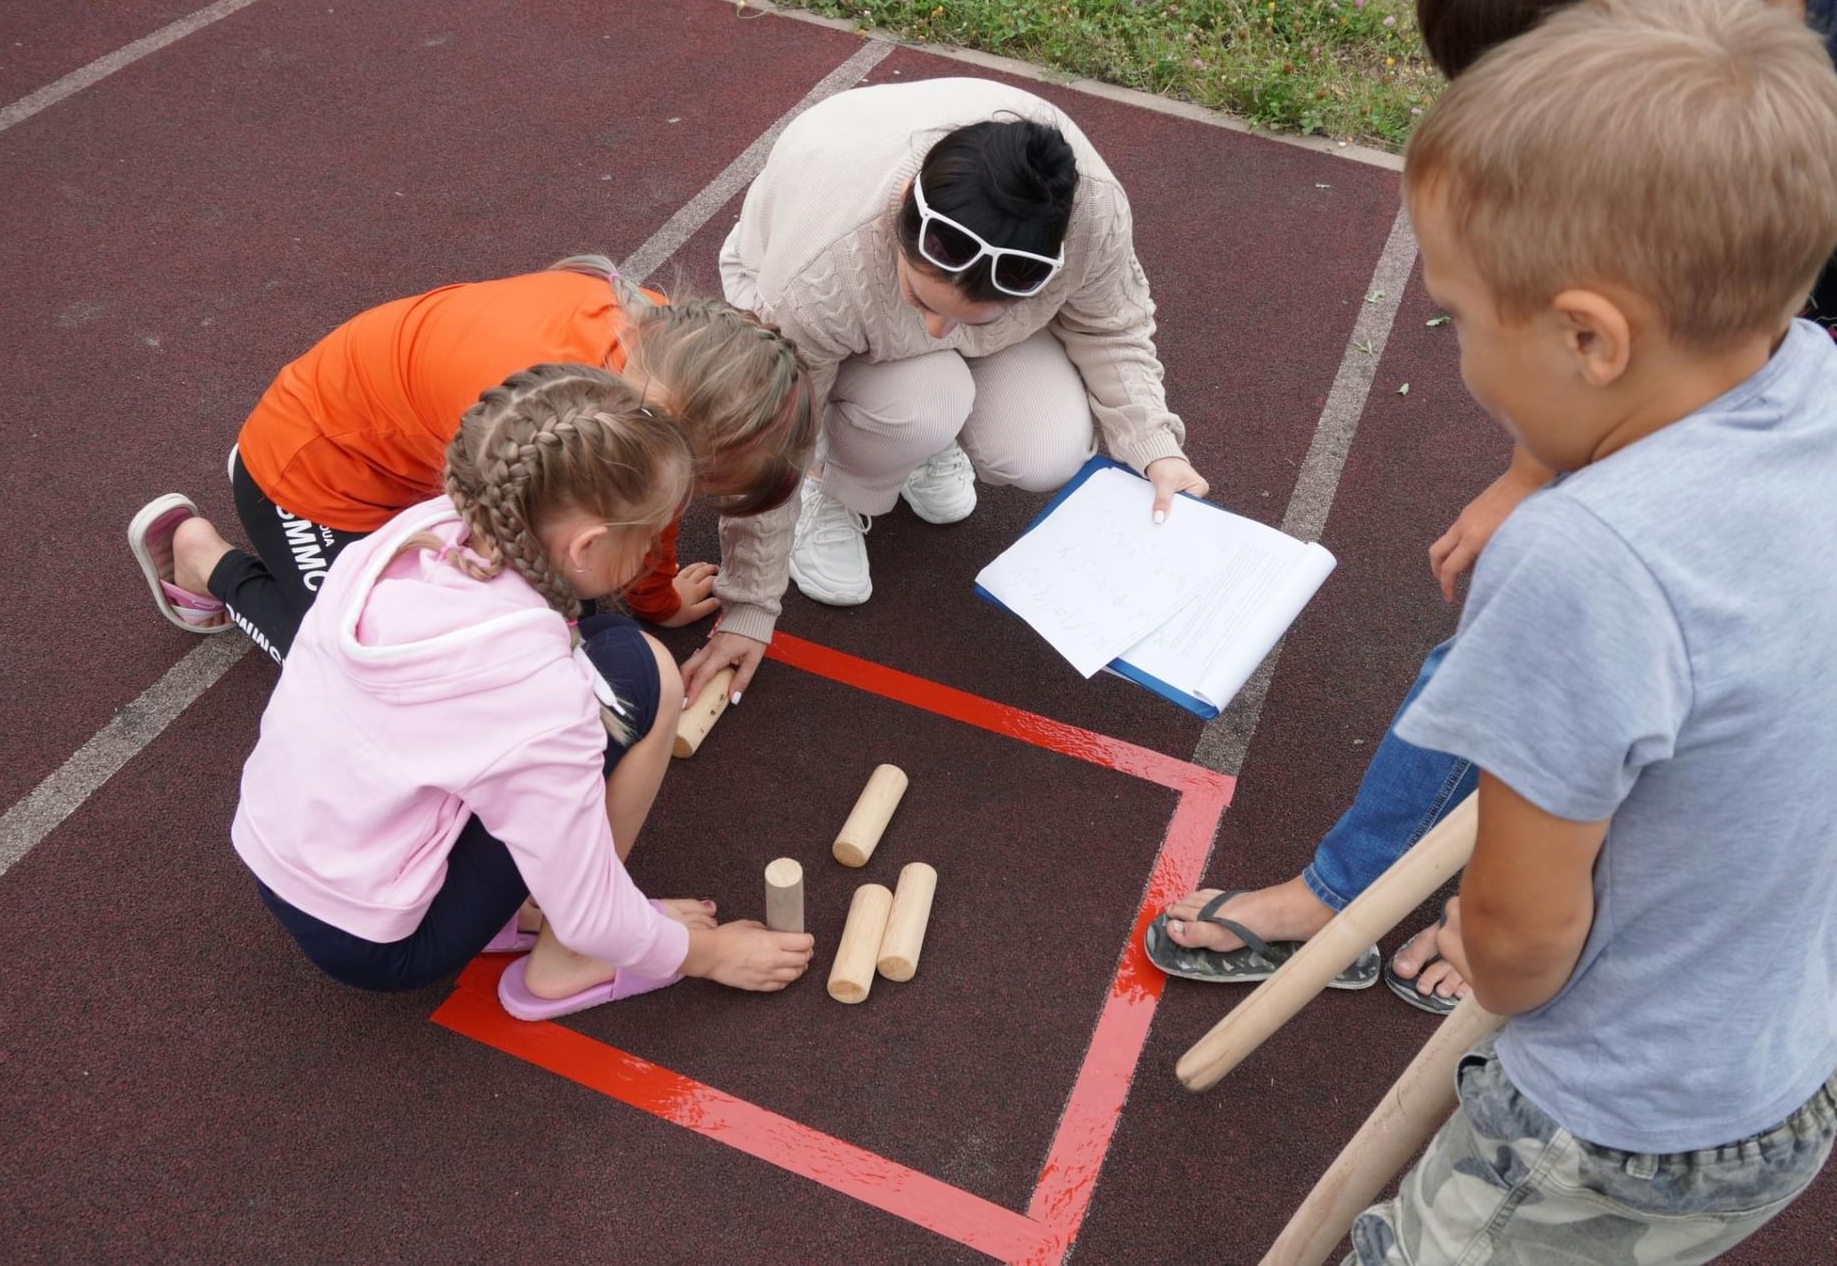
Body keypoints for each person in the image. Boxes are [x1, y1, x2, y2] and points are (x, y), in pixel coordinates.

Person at [1151, 0, 1837, 1012]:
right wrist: (1532, 474)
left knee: (1618, 702)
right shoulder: (1728, 10)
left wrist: (1814, 572)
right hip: (1765, 400)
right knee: (1551, 663)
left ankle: (1478, 909)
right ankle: (1383, 891)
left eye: (1461, 319)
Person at [1349, 0, 1837, 1261]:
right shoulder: (1811, 383)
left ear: (1589, 336)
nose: (1455, 346)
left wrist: (1487, 960)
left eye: (1454, 319)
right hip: (1788, 1049)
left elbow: (1520, 940)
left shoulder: (1578, 560)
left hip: (1612, 1118)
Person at [230, 364, 815, 1019]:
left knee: (610, 645)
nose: (655, 551)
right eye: (649, 536)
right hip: (378, 941)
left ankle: (507, 902)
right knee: (643, 671)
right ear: (588, 545)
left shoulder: (420, 531)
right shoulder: (539, 690)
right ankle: (563, 964)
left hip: (278, 850)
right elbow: (593, 913)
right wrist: (704, 954)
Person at [681, 77, 1208, 703]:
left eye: (967, 315)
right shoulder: (820, 274)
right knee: (922, 404)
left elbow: (1109, 323)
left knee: (1048, 449)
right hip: (812, 301)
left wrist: (1154, 444)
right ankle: (836, 481)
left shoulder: (1090, 217)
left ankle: (927, 431)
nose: (933, 330)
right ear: (907, 206)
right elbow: (771, 434)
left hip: (935, 314)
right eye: (920, 299)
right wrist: (749, 608)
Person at [126, 256, 815, 663]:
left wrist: (655, 599)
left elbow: (655, 488)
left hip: (390, 449)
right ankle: (209, 559)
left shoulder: (675, 353)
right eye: (701, 484)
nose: (684, 504)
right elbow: (499, 558)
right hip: (309, 472)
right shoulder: (543, 400)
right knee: (351, 662)